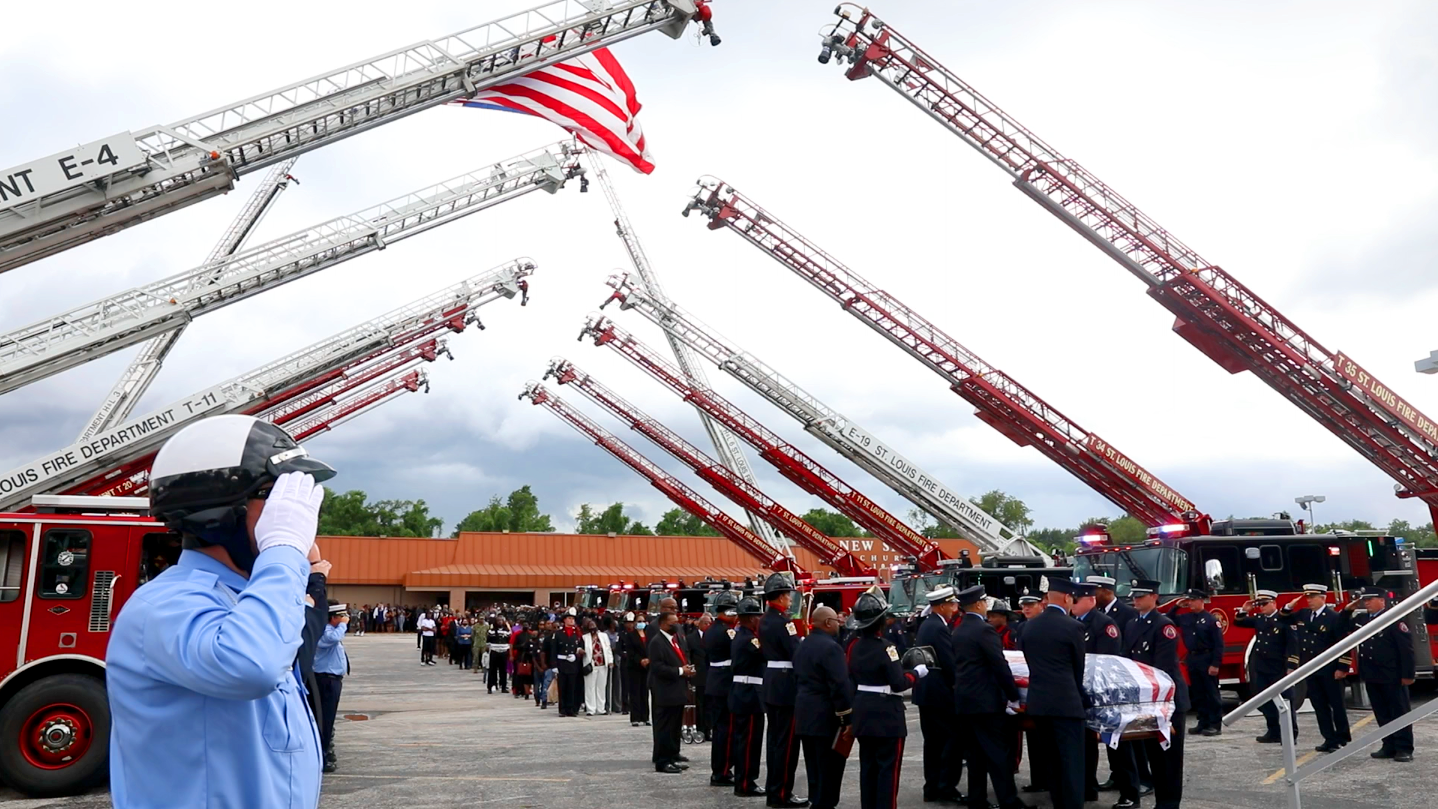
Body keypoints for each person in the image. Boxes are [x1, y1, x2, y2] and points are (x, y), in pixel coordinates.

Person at [106, 415, 333, 808]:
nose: (295, 513)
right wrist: (282, 550)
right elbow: (251, 666)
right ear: (217, 512)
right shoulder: (163, 605)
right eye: (275, 494)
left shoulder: (251, 602)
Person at [849, 587, 926, 809]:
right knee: (888, 771)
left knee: (869, 768)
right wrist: (917, 673)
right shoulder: (887, 648)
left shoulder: (853, 646)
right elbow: (899, 683)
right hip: (886, 716)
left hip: (862, 712)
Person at [950, 585, 1026, 809]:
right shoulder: (984, 630)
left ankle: (977, 799)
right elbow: (999, 665)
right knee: (998, 754)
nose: (986, 607)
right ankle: (1009, 801)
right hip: (986, 701)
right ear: (977, 605)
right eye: (984, 603)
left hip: (965, 700)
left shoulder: (959, 629)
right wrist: (1013, 695)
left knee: (975, 755)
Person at [1021, 578, 1088, 809]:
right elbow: (1078, 668)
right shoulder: (1073, 626)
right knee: (1072, 762)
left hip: (1039, 703)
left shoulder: (1029, 626)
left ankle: (1058, 803)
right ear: (1068, 598)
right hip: (1066, 704)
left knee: (1051, 761)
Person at [1123, 579, 1189, 809]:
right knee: (1154, 754)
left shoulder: (1163, 625)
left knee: (1168, 757)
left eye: (1141, 595)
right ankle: (1161, 800)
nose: (1136, 599)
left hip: (1166, 699)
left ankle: (1169, 803)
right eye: (1134, 595)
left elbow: (1163, 668)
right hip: (1146, 699)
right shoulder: (1132, 624)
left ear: (1154, 597)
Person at [1345, 586, 1415, 762]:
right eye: (1364, 600)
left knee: (1399, 711)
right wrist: (1347, 611)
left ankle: (1404, 748)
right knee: (1381, 713)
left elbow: (1406, 650)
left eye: (1370, 599)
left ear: (1382, 600)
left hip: (1391, 674)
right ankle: (1388, 744)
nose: (1366, 603)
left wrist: (1408, 674)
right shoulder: (1362, 619)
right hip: (1371, 674)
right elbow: (1341, 628)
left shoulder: (1393, 619)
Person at [1279, 584, 1352, 752]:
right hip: (1311, 668)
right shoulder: (1304, 614)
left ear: (1323, 598)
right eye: (1307, 597)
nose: (1309, 601)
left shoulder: (1333, 617)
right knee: (1319, 705)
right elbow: (1283, 619)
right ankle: (1328, 737)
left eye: (1313, 597)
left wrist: (1342, 667)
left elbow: (1344, 643)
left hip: (1330, 668)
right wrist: (1289, 606)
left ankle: (1342, 736)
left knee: (1337, 704)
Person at [794, 606, 853, 809]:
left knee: (814, 768)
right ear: (828, 623)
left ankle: (816, 802)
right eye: (836, 620)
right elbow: (839, 685)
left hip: (805, 714)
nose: (839, 623)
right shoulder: (831, 648)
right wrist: (846, 718)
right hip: (825, 717)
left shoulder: (803, 644)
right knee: (830, 770)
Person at [759, 572, 808, 808]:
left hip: (772, 682)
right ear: (780, 597)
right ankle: (781, 794)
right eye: (787, 595)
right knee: (787, 744)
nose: (790, 599)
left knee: (775, 741)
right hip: (786, 684)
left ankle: (774, 790)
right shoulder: (784, 622)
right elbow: (795, 652)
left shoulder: (765, 619)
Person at [1072, 582, 1124, 802]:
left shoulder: (1104, 624)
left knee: (1113, 742)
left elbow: (1107, 661)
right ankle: (1087, 786)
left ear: (1090, 601)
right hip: (1079, 691)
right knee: (1085, 743)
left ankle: (1125, 785)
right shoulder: (1073, 623)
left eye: (1077, 600)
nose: (1072, 603)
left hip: (1100, 692)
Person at [914, 585, 962, 804]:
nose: (954, 609)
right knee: (949, 742)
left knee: (932, 744)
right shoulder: (939, 628)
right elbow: (948, 662)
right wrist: (957, 686)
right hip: (940, 693)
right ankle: (945, 787)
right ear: (942, 606)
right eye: (952, 605)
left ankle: (932, 787)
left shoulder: (927, 625)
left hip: (927, 692)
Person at [1233, 590, 1298, 743]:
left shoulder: (1284, 619)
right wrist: (1244, 610)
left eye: (1264, 604)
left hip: (1279, 667)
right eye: (1259, 604)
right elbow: (1239, 622)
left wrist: (1291, 665)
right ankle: (1273, 731)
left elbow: (1293, 644)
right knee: (1266, 701)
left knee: (1286, 701)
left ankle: (1290, 734)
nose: (1261, 607)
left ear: (1274, 603)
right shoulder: (1259, 619)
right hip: (1262, 667)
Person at [1168, 589, 1225, 736]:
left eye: (1193, 600)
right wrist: (1177, 606)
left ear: (1201, 600)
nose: (1190, 603)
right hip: (1192, 658)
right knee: (1198, 693)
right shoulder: (1186, 618)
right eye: (1189, 600)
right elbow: (1169, 619)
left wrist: (1215, 664)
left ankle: (1215, 724)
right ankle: (1202, 722)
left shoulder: (1211, 620)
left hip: (1207, 657)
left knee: (1211, 692)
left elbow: (1219, 644)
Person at [648, 611, 695, 773]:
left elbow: (683, 657)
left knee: (675, 726)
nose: (676, 626)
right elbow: (658, 667)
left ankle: (673, 755)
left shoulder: (675, 640)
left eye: (677, 622)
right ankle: (663, 760)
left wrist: (687, 668)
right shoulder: (657, 642)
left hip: (678, 690)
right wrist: (680, 671)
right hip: (665, 691)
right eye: (671, 623)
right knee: (665, 727)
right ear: (662, 624)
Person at [731, 597, 769, 797]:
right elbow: (765, 653)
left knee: (745, 740)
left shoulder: (741, 635)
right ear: (752, 618)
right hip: (749, 695)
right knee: (749, 742)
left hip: (744, 693)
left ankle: (744, 780)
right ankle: (746, 782)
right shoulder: (749, 639)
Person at [706, 592, 741, 787]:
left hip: (716, 682)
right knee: (726, 731)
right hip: (724, 683)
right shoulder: (726, 631)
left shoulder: (714, 628)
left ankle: (721, 770)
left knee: (722, 729)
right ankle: (722, 771)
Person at [315, 600, 350, 773]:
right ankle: (323, 754)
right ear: (333, 617)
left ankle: (326, 752)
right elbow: (331, 639)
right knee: (325, 720)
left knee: (328, 719)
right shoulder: (325, 630)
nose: (345, 619)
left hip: (332, 679)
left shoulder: (332, 630)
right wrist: (342, 626)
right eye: (342, 616)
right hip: (325, 679)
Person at [622, 612, 652, 726]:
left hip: (647, 667)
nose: (641, 624)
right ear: (634, 623)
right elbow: (630, 652)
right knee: (635, 692)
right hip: (634, 666)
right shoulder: (630, 635)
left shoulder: (648, 635)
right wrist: (640, 660)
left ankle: (645, 717)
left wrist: (648, 659)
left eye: (643, 621)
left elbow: (651, 648)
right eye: (639, 621)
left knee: (644, 692)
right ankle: (635, 717)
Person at [554, 610, 585, 717]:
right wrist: (554, 666)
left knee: (572, 687)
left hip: (573, 663)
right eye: (569, 618)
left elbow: (580, 646)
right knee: (562, 687)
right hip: (562, 662)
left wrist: (577, 654)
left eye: (573, 619)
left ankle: (570, 709)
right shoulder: (558, 634)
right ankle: (562, 709)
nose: (572, 620)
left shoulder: (577, 634)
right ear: (564, 620)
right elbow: (554, 650)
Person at [584, 617, 615, 715]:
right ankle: (591, 709)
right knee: (590, 687)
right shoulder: (584, 637)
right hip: (591, 665)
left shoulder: (603, 636)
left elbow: (608, 648)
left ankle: (601, 708)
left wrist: (610, 660)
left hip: (602, 664)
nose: (592, 627)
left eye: (594, 625)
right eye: (590, 626)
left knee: (601, 687)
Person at [487, 618, 511, 693]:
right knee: (492, 670)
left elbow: (509, 641)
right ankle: (491, 686)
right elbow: (488, 641)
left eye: (501, 621)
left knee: (503, 670)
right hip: (494, 651)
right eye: (498, 621)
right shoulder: (491, 631)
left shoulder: (507, 631)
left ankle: (503, 686)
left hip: (504, 651)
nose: (500, 622)